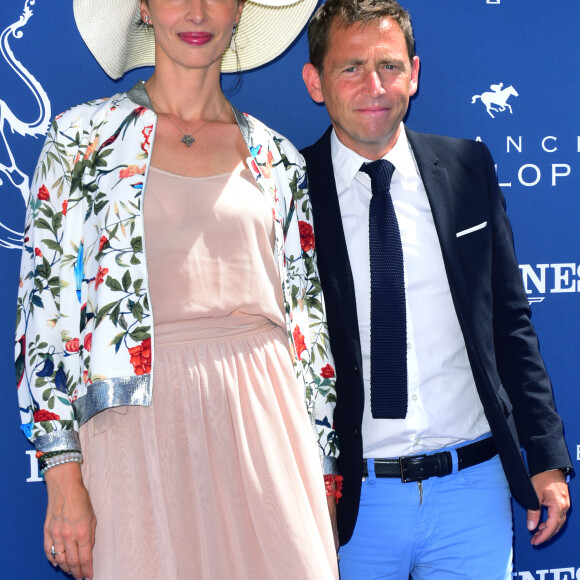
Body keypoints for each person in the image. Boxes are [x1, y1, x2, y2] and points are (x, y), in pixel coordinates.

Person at [15, 0, 341, 578]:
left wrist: (322, 469)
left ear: (240, 8)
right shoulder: (80, 141)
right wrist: (62, 474)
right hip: (132, 432)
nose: (196, 10)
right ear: (143, 6)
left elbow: (308, 333)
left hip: (266, 431)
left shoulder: (277, 159)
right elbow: (44, 319)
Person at [300, 0, 572, 578]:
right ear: (315, 83)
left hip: (473, 494)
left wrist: (546, 458)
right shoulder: (286, 192)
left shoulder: (468, 168)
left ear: (414, 74)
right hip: (348, 503)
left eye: (389, 66)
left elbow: (509, 323)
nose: (374, 86)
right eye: (351, 68)